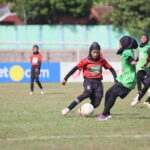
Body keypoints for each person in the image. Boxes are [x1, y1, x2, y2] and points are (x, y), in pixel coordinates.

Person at [61, 42, 117, 116]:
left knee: (97, 102)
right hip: (88, 81)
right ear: (90, 52)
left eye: (97, 52)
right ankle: (68, 108)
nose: (96, 54)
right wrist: (65, 78)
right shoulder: (85, 61)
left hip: (98, 83)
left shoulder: (102, 61)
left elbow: (112, 69)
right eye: (94, 52)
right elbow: (74, 69)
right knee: (87, 92)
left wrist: (116, 80)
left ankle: (82, 110)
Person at [97, 36, 138, 120]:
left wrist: (132, 61)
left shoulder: (127, 51)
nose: (119, 44)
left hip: (128, 80)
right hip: (123, 78)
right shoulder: (128, 50)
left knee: (113, 94)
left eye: (120, 43)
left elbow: (129, 58)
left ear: (125, 43)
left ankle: (104, 115)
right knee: (108, 92)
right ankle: (107, 113)